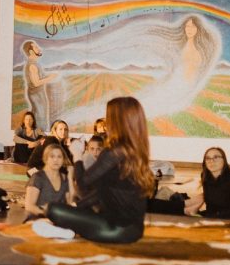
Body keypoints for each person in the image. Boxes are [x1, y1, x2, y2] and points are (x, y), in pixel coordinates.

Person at [46, 96, 154, 243]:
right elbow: (105, 190)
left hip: (115, 230)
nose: (107, 122)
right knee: (78, 209)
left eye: (109, 117)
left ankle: (68, 230)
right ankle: (69, 229)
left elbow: (82, 183)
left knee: (52, 209)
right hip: (135, 231)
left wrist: (77, 155)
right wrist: (77, 206)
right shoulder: (134, 152)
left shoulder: (113, 152)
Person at [183, 147, 230, 220]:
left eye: (216, 157)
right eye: (208, 158)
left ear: (224, 160)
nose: (211, 161)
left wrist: (208, 218)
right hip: (219, 217)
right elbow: (211, 207)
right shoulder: (206, 177)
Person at [24, 143, 73, 217]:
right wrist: (47, 215)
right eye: (52, 156)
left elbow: (70, 202)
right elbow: (29, 206)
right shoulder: (38, 177)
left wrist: (70, 177)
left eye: (59, 157)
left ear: (63, 160)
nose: (56, 160)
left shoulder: (64, 178)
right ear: (46, 159)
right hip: (38, 220)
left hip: (57, 220)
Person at [21, 40, 57, 129]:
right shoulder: (32, 65)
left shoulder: (35, 64)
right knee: (40, 117)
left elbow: (39, 78)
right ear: (31, 51)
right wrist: (50, 78)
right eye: (36, 47)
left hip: (38, 94)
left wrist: (49, 76)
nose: (39, 48)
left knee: (40, 116)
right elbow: (36, 83)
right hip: (36, 95)